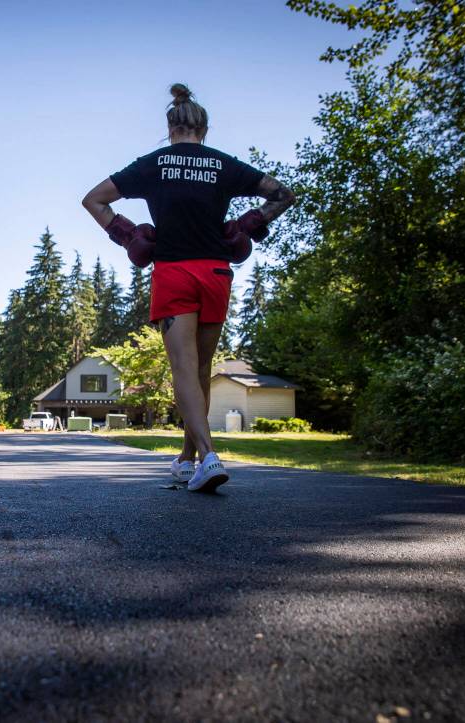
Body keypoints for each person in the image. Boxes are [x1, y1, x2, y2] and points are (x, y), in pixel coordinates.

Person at [82, 84, 295, 492]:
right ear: (205, 129)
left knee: (183, 367)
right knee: (199, 369)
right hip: (216, 273)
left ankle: (210, 456)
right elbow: (284, 194)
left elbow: (93, 200)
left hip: (174, 272)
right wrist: (250, 223)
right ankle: (187, 459)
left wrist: (127, 235)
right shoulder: (223, 164)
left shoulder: (153, 164)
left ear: (169, 126)